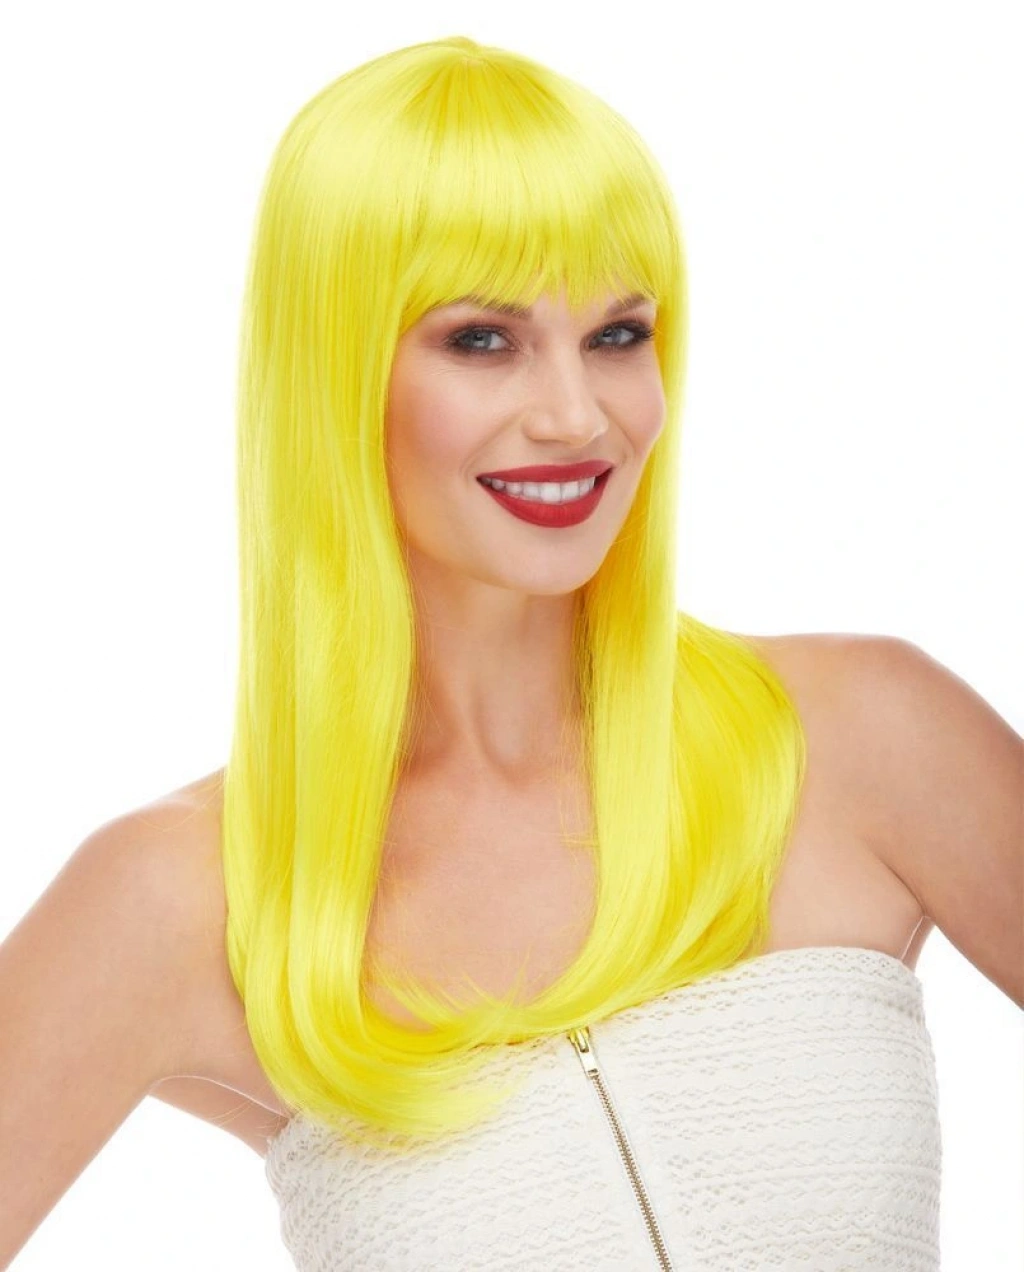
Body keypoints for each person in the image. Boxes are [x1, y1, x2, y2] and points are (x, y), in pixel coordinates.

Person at [2, 34, 1020, 1272]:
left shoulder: (868, 737)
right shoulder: (186, 897)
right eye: (481, 340)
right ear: (335, 372)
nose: (576, 416)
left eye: (617, 334)